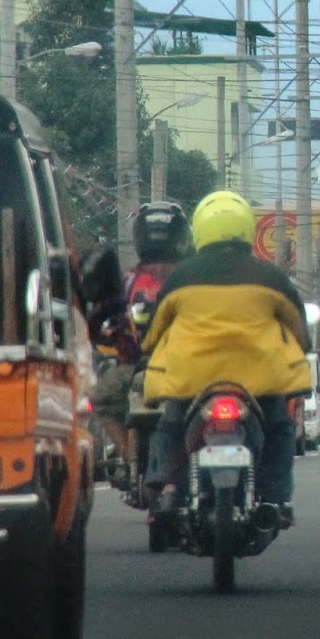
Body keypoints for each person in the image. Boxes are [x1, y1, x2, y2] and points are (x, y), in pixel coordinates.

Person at [141, 190, 312, 526]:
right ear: (247, 228)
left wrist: (147, 351)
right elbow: (298, 329)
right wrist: (301, 351)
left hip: (192, 379)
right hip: (259, 383)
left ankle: (168, 487)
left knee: (170, 425)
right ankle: (275, 499)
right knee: (280, 428)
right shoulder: (270, 276)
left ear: (200, 230)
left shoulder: (181, 277)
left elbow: (153, 333)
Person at [90, 202, 189, 483]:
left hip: (135, 367)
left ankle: (125, 457)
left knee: (100, 399)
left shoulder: (127, 282)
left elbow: (102, 324)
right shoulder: (191, 279)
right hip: (185, 368)